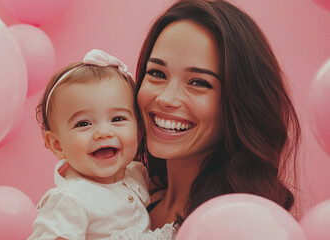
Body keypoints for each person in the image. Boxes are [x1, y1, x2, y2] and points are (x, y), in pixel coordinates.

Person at [135, 0, 301, 231]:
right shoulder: (132, 198)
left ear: (240, 102)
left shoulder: (239, 225)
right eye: (156, 73)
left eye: (198, 82)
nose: (165, 98)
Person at [29, 49, 175, 240]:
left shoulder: (137, 174)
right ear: (57, 145)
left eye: (117, 118)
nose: (103, 133)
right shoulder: (72, 199)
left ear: (138, 132)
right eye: (83, 124)